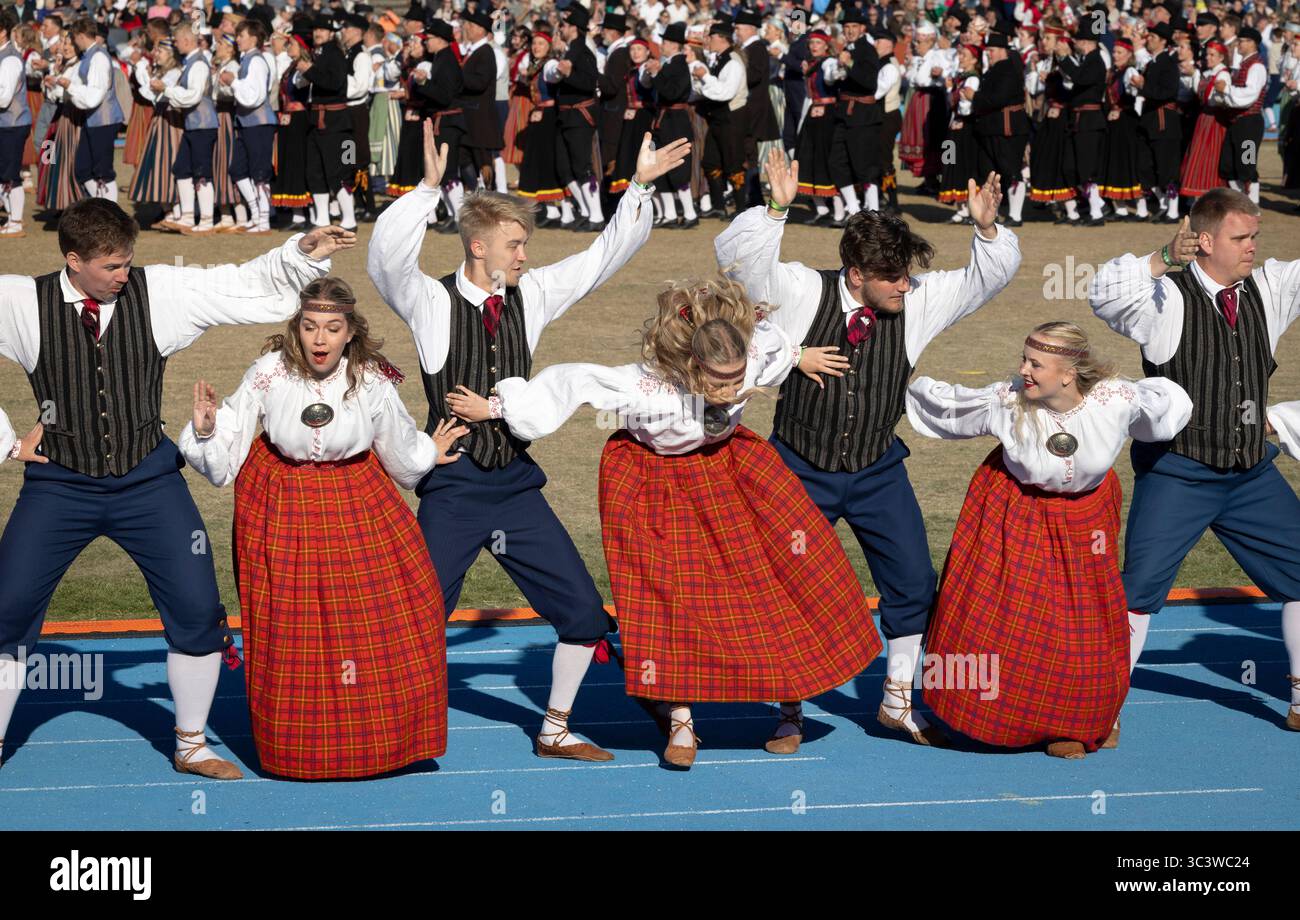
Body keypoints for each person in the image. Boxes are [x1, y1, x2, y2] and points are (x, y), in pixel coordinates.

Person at [444, 276, 883, 767]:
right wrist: (499, 407)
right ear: (694, 367)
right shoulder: (645, 386)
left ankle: (790, 709)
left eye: (739, 377)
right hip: (655, 479)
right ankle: (680, 720)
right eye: (720, 381)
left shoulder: (751, 352)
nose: (733, 388)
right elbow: (574, 380)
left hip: (731, 467)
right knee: (670, 598)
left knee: (775, 581)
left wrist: (799, 356)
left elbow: (774, 346)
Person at [367, 122, 688, 762]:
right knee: (416, 616)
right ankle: (383, 732)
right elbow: (385, 262)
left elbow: (601, 259)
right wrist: (426, 191)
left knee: (584, 616)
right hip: (453, 489)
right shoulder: (430, 301)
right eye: (515, 245)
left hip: (515, 488)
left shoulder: (532, 294)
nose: (525, 256)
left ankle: (556, 729)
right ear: (479, 246)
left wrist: (639, 191)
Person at [0, 197, 353, 777]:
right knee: (8, 611)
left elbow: (238, 284)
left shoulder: (156, 290)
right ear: (73, 260)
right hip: (58, 485)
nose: (123, 275)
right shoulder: (23, 301)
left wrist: (300, 255)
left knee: (196, 609)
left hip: (148, 481)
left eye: (127, 262)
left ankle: (191, 744)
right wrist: (10, 443)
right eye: (111, 266)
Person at [716, 148, 1021, 747]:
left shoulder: (918, 301)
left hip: (879, 468)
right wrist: (776, 208)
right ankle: (789, 711)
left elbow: (987, 278)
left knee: (913, 583)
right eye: (893, 276)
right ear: (856, 275)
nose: (907, 284)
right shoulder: (804, 290)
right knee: (788, 586)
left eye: (908, 273)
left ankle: (897, 702)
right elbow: (743, 268)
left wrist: (985, 227)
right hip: (799, 468)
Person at [179, 277, 467, 779]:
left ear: (350, 332)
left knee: (398, 610)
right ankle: (299, 752)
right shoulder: (269, 372)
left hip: (356, 494)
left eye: (332, 328)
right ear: (298, 326)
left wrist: (428, 453)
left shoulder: (373, 377)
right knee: (294, 629)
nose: (319, 339)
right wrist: (206, 430)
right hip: (282, 499)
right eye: (310, 326)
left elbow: (399, 451)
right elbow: (225, 454)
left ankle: (380, 746)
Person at [907, 323, 1191, 757]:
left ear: (1067, 374)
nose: (1023, 370)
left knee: (1088, 619)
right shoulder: (1007, 400)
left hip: (1088, 514)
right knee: (1014, 615)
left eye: (1035, 364)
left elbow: (1169, 410)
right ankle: (1003, 719)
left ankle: (1085, 720)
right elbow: (945, 408)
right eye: (1024, 359)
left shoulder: (1116, 398)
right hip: (1018, 508)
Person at [1089, 187, 1300, 741]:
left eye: (1255, 236)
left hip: (1251, 472)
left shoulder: (1269, 288)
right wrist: (1162, 257)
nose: (1254, 246)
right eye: (1241, 237)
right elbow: (1103, 294)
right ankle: (1100, 710)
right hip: (1178, 471)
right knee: (1137, 593)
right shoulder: (1165, 298)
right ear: (1204, 241)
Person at [156, 22, 218, 233]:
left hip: (203, 125)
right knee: (182, 169)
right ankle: (188, 216)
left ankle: (207, 219)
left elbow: (193, 96)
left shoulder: (198, 63)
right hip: (193, 125)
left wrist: (167, 90)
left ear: (185, 40)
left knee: (202, 172)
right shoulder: (190, 62)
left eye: (176, 41)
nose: (175, 45)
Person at [63, 17, 123, 201]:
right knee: (82, 168)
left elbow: (93, 96)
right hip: (91, 119)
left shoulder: (97, 57)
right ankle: (100, 205)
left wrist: (69, 86)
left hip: (102, 119)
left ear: (81, 36)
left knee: (102, 170)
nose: (72, 43)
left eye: (73, 38)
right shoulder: (89, 56)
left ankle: (109, 212)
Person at [938, 42, 982, 223]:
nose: (960, 58)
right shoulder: (961, 78)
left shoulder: (973, 79)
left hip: (965, 128)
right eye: (960, 55)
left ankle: (970, 209)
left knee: (964, 166)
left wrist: (955, 94)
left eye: (964, 55)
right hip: (954, 127)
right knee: (951, 162)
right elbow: (953, 105)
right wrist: (951, 90)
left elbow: (966, 109)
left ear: (974, 59)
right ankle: (961, 208)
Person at [0, 9, 33, 239]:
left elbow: (4, 97)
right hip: (5, 123)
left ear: (2, 32)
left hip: (12, 123)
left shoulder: (10, 58)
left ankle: (16, 221)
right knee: (4, 173)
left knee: (11, 174)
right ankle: (12, 218)